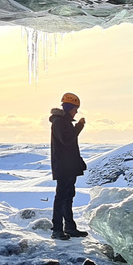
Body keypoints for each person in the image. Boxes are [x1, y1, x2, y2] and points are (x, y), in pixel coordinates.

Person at [49, 93, 89, 240]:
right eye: (75, 109)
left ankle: (69, 227)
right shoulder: (59, 122)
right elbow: (67, 140)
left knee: (68, 196)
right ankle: (57, 229)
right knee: (62, 197)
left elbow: (69, 145)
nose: (76, 112)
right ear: (68, 108)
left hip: (68, 166)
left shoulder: (64, 122)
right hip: (64, 167)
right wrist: (79, 127)